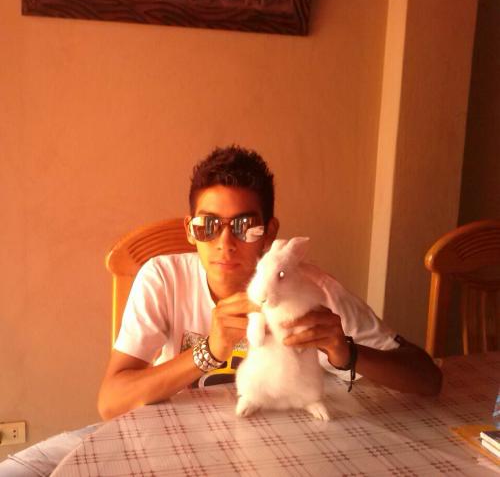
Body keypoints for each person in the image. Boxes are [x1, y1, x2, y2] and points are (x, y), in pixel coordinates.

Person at [0, 145, 442, 476]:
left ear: (269, 233)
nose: (225, 243)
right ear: (191, 231)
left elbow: (427, 378)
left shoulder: (315, 291)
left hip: (282, 451)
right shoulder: (163, 278)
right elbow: (111, 401)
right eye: (208, 225)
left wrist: (348, 353)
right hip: (172, 446)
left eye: (244, 226)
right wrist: (208, 351)